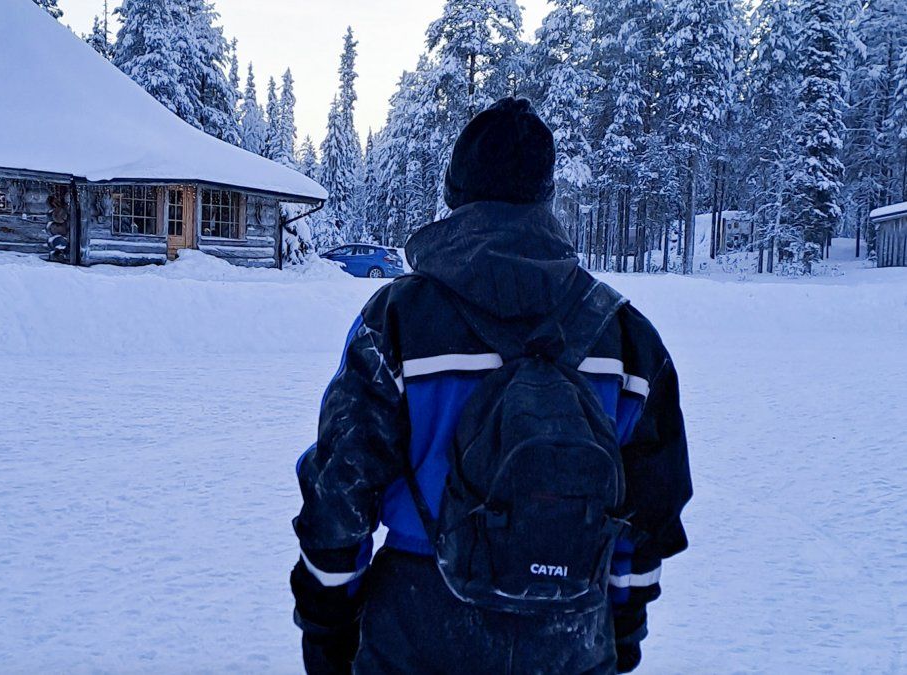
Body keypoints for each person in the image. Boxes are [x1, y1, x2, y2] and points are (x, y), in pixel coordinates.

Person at [291, 98, 691, 674]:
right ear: (546, 196)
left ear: (455, 194)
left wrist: (328, 625)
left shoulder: (398, 320)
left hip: (416, 630)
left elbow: (339, 491)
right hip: (571, 631)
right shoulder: (627, 337)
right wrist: (619, 629)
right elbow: (651, 510)